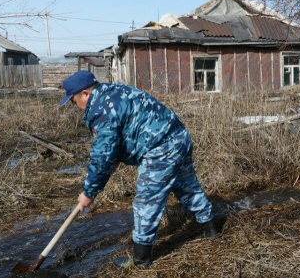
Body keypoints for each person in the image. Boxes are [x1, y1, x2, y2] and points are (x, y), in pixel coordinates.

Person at [60, 71, 216, 268]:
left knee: (146, 202)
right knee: (187, 186)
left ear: (85, 94)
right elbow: (123, 131)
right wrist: (115, 156)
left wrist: (88, 193)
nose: (75, 106)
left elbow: (101, 158)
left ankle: (141, 259)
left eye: (74, 101)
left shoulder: (100, 109)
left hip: (160, 148)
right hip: (178, 137)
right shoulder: (112, 90)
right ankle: (210, 228)